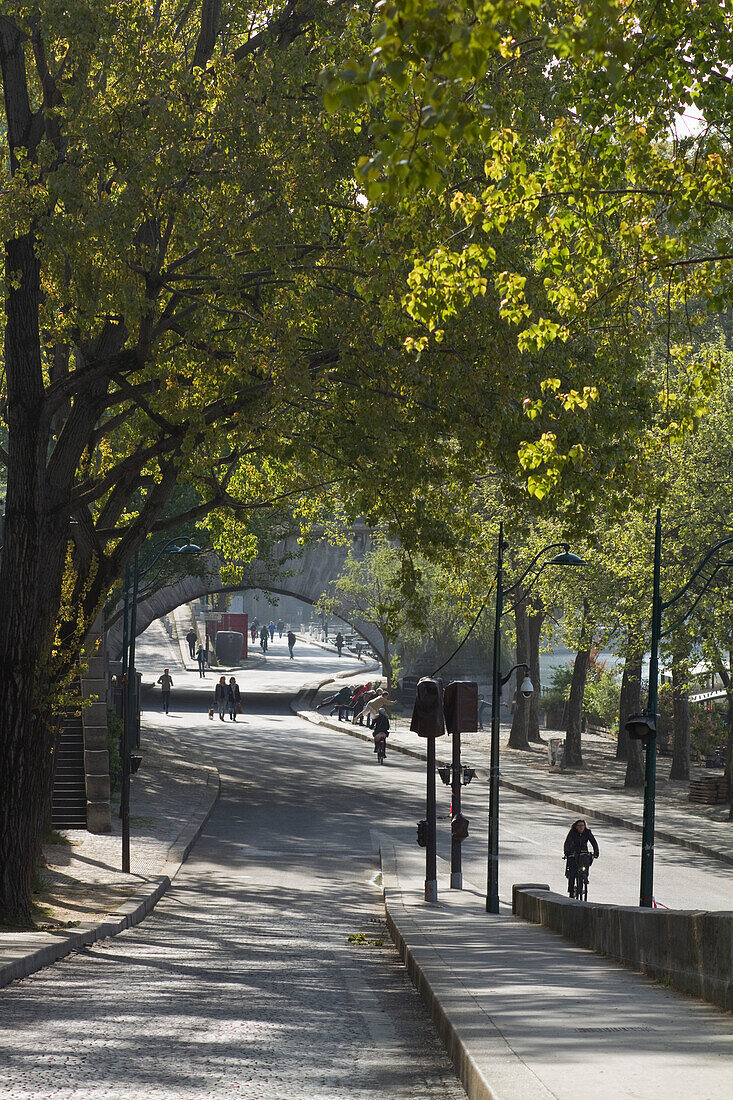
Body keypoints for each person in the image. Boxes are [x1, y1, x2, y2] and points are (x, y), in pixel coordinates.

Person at [563, 819, 599, 897]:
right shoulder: (572, 833)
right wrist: (567, 853)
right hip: (573, 853)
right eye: (579, 826)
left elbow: (593, 842)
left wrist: (596, 853)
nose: (581, 827)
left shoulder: (587, 832)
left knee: (585, 867)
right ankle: (571, 891)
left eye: (582, 825)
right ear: (576, 827)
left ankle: (584, 879)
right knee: (572, 873)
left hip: (583, 853)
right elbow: (567, 843)